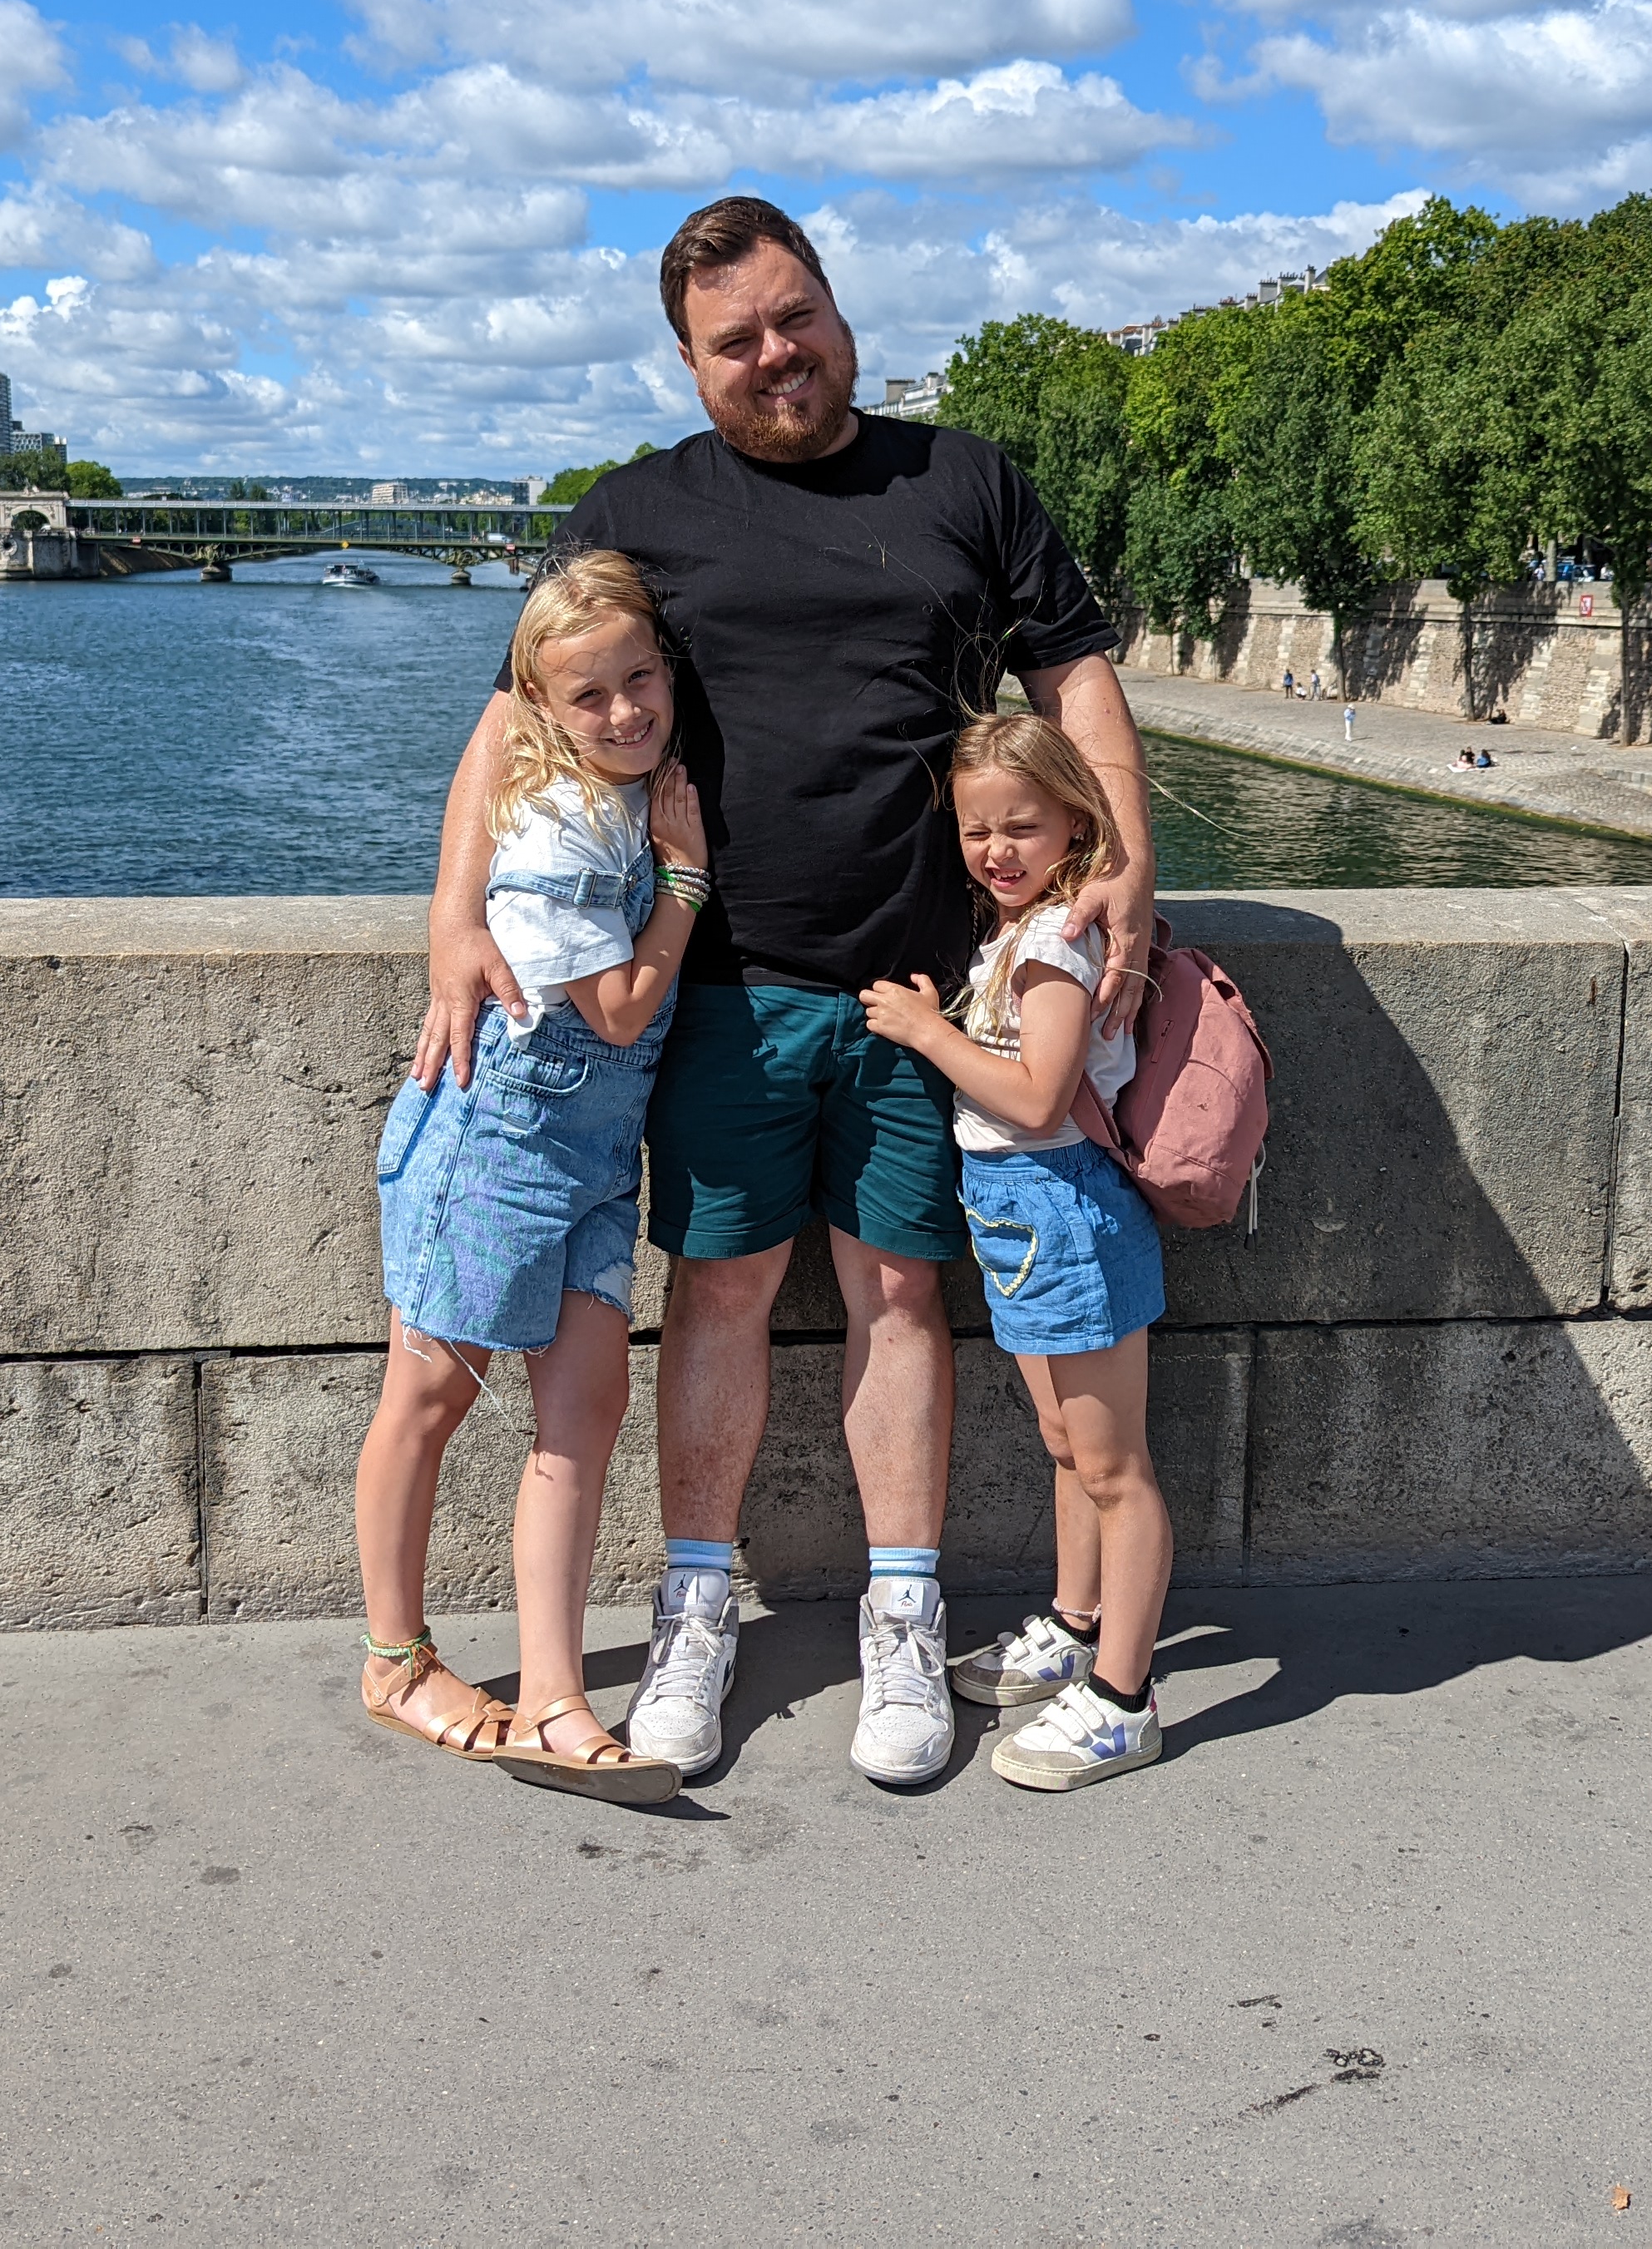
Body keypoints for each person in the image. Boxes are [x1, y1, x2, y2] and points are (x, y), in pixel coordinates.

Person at [411, 195, 1153, 1789]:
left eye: (794, 316)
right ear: (690, 366)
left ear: (836, 308)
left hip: (920, 988)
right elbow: (514, 719)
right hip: (721, 986)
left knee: (900, 1293)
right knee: (724, 1289)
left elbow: (1073, 672)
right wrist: (454, 920)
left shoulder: (965, 479)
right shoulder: (637, 510)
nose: (776, 355)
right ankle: (696, 1607)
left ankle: (904, 1613)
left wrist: (1129, 864)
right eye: (734, 340)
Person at [356, 552, 704, 1806]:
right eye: (588, 696)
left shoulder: (626, 792)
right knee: (429, 1394)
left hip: (595, 1156)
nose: (623, 711)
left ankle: (554, 1695)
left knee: (585, 1410)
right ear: (539, 708)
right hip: (498, 1145)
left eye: (640, 679)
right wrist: (687, 883)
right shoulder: (561, 823)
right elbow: (619, 1010)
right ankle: (396, 1662)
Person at [859, 714, 1169, 1790]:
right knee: (1064, 1441)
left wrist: (930, 1034)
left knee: (1115, 1467)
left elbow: (1039, 1100)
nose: (996, 851)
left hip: (1063, 1207)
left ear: (1075, 822)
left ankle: (1124, 1698)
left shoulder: (1052, 944)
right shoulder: (1018, 930)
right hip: (1020, 1215)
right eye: (976, 829)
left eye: (1021, 828)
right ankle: (1076, 1627)